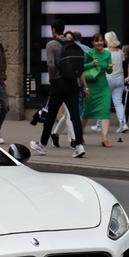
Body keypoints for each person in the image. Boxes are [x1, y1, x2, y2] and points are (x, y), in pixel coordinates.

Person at [30, 19, 86, 158]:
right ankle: (79, 145)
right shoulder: (72, 43)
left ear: (53, 30)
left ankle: (42, 145)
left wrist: (51, 80)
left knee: (51, 114)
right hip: (73, 82)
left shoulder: (51, 44)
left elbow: (51, 64)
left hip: (58, 83)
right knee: (74, 115)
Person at [81, 33, 114, 147]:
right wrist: (91, 64)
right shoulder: (89, 53)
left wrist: (110, 68)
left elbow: (109, 71)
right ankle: (79, 135)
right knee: (86, 112)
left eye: (101, 41)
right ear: (93, 43)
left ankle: (104, 138)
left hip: (103, 86)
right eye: (96, 41)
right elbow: (81, 67)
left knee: (105, 111)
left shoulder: (107, 53)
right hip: (90, 86)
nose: (99, 43)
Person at [105, 31, 128, 133]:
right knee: (118, 103)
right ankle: (123, 123)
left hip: (108, 79)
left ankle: (99, 125)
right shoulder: (120, 52)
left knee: (104, 102)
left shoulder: (105, 51)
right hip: (119, 79)